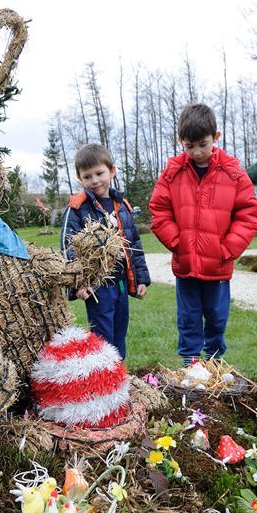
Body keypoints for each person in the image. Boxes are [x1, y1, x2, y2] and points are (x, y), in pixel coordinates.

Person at [148, 103, 257, 363]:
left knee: (217, 315)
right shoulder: (172, 173)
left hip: (218, 265)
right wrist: (177, 243)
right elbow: (159, 210)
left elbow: (248, 214)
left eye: (203, 144)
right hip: (186, 264)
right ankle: (189, 361)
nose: (197, 152)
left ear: (216, 137)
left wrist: (227, 249)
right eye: (189, 146)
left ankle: (214, 360)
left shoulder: (233, 173)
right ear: (181, 142)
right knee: (188, 315)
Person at [61, 143, 150, 359]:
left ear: (112, 170)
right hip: (97, 287)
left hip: (120, 284)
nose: (94, 181)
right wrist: (79, 283)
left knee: (120, 334)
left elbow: (134, 244)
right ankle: (101, 383)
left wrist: (141, 279)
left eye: (99, 173)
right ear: (79, 178)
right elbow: (68, 247)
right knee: (101, 340)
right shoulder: (78, 208)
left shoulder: (122, 205)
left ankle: (118, 378)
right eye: (87, 176)